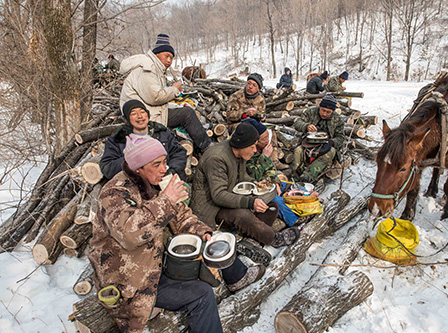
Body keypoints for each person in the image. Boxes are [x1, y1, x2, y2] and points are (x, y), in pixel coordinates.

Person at [89, 134, 264, 333]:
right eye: (157, 164)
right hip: (131, 282)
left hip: (157, 262)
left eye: (164, 162)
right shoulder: (115, 193)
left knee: (211, 253)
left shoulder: (155, 183)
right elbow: (130, 235)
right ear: (138, 168)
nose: (164, 168)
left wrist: (204, 232)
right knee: (202, 294)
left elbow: (182, 216)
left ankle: (238, 277)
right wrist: (166, 201)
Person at [191, 122, 300, 250]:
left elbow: (241, 178)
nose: (255, 151)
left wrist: (256, 183)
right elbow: (218, 195)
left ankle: (251, 241)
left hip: (229, 196)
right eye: (253, 147)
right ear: (242, 145)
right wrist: (250, 202)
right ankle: (274, 239)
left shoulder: (239, 153)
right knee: (242, 215)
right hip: (211, 207)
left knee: (271, 207)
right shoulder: (216, 158)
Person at [119, 33, 210, 152]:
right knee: (187, 114)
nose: (169, 61)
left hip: (147, 111)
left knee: (183, 109)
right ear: (156, 54)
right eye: (166, 56)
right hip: (143, 116)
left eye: (171, 58)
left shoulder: (154, 68)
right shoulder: (148, 69)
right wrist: (175, 89)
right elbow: (155, 97)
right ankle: (207, 148)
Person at [100, 99, 188, 181]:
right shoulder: (118, 139)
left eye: (142, 112)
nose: (139, 116)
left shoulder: (161, 132)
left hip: (165, 179)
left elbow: (179, 153)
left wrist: (171, 171)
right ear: (127, 119)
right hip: (137, 185)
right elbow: (107, 167)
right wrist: (133, 158)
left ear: (148, 115)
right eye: (133, 113)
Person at [244, 119, 299, 227]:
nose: (267, 140)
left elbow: (270, 169)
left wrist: (276, 182)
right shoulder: (247, 152)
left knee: (293, 187)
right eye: (263, 138)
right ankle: (295, 222)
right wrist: (264, 157)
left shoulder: (262, 148)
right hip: (255, 190)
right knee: (277, 201)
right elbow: (253, 176)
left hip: (268, 183)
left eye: (267, 136)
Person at [292, 94, 344, 183]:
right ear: (319, 106)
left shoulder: (338, 119)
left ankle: (308, 176)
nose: (324, 114)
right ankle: (296, 177)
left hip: (327, 145)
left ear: (333, 111)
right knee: (298, 151)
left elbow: (340, 137)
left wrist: (331, 142)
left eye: (328, 112)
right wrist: (306, 126)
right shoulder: (311, 112)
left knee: (331, 152)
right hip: (308, 142)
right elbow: (297, 122)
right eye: (323, 110)